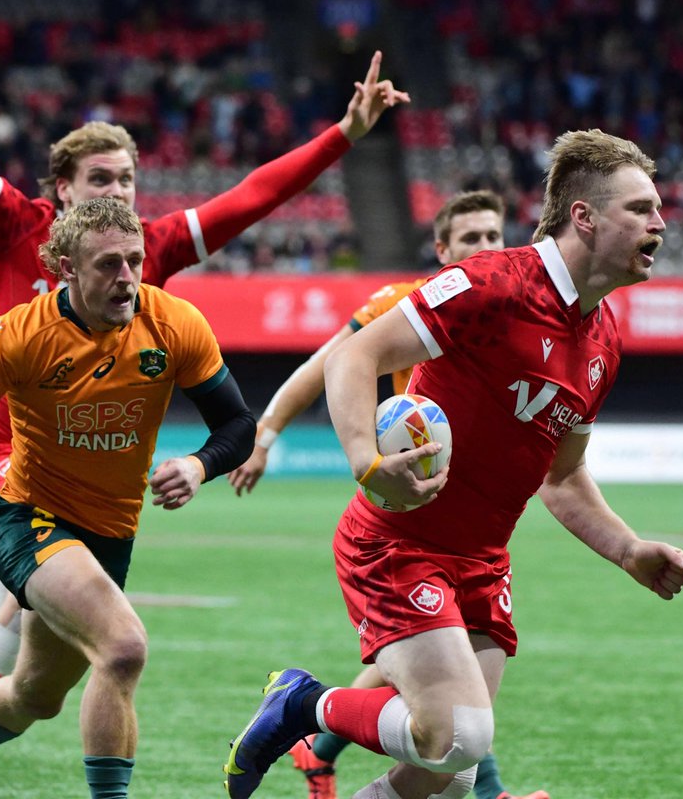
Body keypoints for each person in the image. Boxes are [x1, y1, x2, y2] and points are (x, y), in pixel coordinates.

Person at [0, 0, 407, 795]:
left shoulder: (146, 261)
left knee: (30, 683)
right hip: (3, 459)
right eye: (99, 179)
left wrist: (342, 136)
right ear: (62, 187)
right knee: (54, 640)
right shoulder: (17, 227)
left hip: (102, 500)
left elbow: (252, 196)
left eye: (126, 179)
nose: (114, 192)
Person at [222, 129, 683, 799]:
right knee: (460, 737)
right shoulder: (492, 286)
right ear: (584, 217)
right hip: (397, 544)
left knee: (447, 775)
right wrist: (364, 460)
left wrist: (629, 551)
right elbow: (352, 358)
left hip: (483, 564)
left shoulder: (603, 341)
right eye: (641, 208)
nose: (660, 222)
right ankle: (301, 703)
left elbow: (561, 477)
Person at [0, 196, 256, 799]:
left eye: (135, 261)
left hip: (110, 535)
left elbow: (237, 425)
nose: (127, 279)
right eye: (108, 264)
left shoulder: (173, 323)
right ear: (65, 267)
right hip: (29, 519)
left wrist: (199, 465)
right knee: (124, 648)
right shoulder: (21, 335)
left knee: (36, 694)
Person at [227, 189, 547, 799]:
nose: (485, 247)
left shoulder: (509, 313)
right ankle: (479, 788)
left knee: (442, 699)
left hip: (467, 526)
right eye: (470, 238)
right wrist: (264, 436)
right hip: (397, 514)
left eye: (493, 236)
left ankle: (319, 749)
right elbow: (328, 365)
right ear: (441, 249)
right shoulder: (403, 306)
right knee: (450, 706)